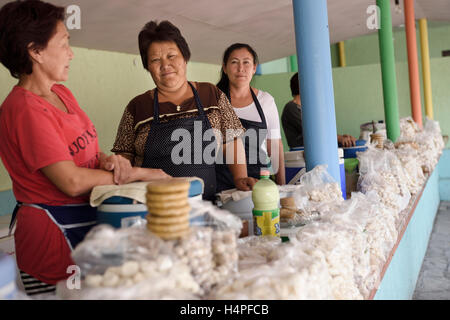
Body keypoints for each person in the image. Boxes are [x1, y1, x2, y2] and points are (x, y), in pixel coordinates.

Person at [0, 0, 169, 295]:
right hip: (52, 244)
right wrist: (140, 174)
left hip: (86, 228)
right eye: (64, 43)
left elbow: (85, 154)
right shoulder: (23, 108)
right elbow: (71, 180)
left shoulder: (61, 93)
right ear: (35, 50)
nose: (71, 53)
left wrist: (108, 161)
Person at [112, 21, 257, 201]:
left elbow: (232, 140)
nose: (165, 65)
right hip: (155, 208)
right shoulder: (137, 107)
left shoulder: (211, 94)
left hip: (206, 205)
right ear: (147, 66)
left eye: (172, 56)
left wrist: (239, 178)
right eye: (155, 60)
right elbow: (123, 162)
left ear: (185, 57)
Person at [215, 43, 286, 192]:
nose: (241, 68)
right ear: (225, 67)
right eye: (234, 62)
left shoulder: (266, 101)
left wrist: (282, 188)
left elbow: (274, 146)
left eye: (246, 62)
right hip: (220, 185)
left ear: (254, 67)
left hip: (257, 184)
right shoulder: (213, 100)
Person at [281, 72, 356, 149]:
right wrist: (339, 138)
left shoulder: (307, 109)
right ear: (303, 85)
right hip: (302, 155)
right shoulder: (291, 108)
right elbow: (314, 131)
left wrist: (344, 138)